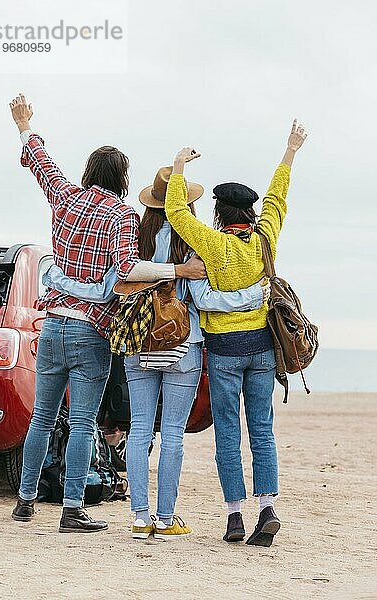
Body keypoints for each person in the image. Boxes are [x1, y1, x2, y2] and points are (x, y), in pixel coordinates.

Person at [8, 93, 206, 534]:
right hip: (90, 329)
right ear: (122, 178)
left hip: (53, 324)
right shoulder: (122, 215)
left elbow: (41, 162)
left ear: (88, 173)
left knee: (42, 416)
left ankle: (24, 500)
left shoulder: (65, 197)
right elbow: (127, 269)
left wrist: (24, 124)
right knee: (81, 422)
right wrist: (180, 268)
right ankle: (72, 507)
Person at [46, 165, 270, 539]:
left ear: (151, 204)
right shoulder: (194, 244)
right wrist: (253, 295)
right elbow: (204, 299)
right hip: (183, 346)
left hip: (139, 344)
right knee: (173, 435)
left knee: (138, 432)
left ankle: (139, 517)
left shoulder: (137, 239)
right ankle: (165, 519)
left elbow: (120, 280)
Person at [165, 120, 308, 545]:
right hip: (262, 349)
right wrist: (289, 152)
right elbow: (278, 199)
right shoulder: (265, 238)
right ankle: (267, 507)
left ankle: (234, 517)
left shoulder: (212, 243)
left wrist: (177, 166)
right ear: (250, 212)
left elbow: (174, 212)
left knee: (228, 430)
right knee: (261, 428)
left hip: (224, 351)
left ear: (218, 213)